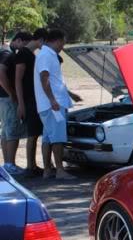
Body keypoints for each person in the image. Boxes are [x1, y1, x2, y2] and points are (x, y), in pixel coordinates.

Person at [34, 29, 82, 180]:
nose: (63, 46)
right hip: (53, 105)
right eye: (63, 43)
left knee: (48, 138)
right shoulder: (46, 55)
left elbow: (55, 80)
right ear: (57, 40)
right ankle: (60, 170)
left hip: (50, 104)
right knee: (58, 138)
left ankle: (47, 170)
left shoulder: (47, 54)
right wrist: (53, 100)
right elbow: (44, 77)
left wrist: (70, 95)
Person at [15, 28, 47, 176]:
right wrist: (21, 103)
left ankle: (33, 165)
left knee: (36, 133)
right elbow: (18, 80)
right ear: (40, 40)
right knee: (32, 134)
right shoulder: (23, 54)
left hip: (35, 98)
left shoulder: (32, 55)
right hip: (28, 100)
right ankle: (29, 166)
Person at [0, 32, 32, 174]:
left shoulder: (4, 50)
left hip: (2, 98)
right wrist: (11, 93)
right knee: (13, 130)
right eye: (25, 44)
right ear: (18, 40)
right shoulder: (8, 54)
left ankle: (7, 164)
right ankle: (10, 164)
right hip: (7, 98)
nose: (25, 48)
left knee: (6, 131)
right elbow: (1, 73)